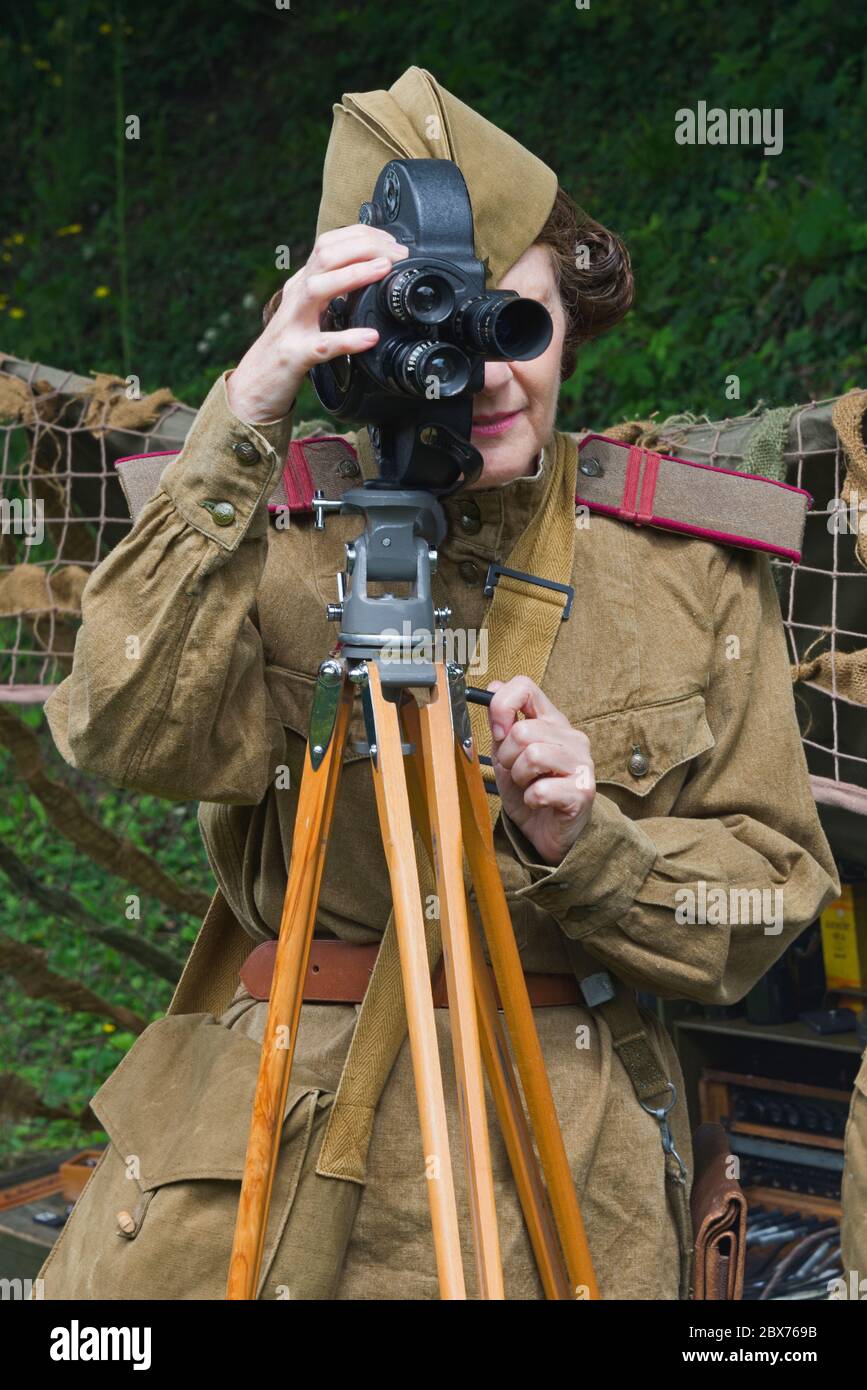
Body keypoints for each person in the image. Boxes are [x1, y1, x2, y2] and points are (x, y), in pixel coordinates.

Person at [36, 67, 839, 1301]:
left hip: (566, 1183)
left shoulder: (686, 569)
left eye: (520, 323)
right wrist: (246, 406)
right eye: (445, 332)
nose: (492, 375)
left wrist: (593, 843)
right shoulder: (264, 536)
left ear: (572, 310)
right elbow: (116, 725)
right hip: (281, 1177)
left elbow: (769, 893)